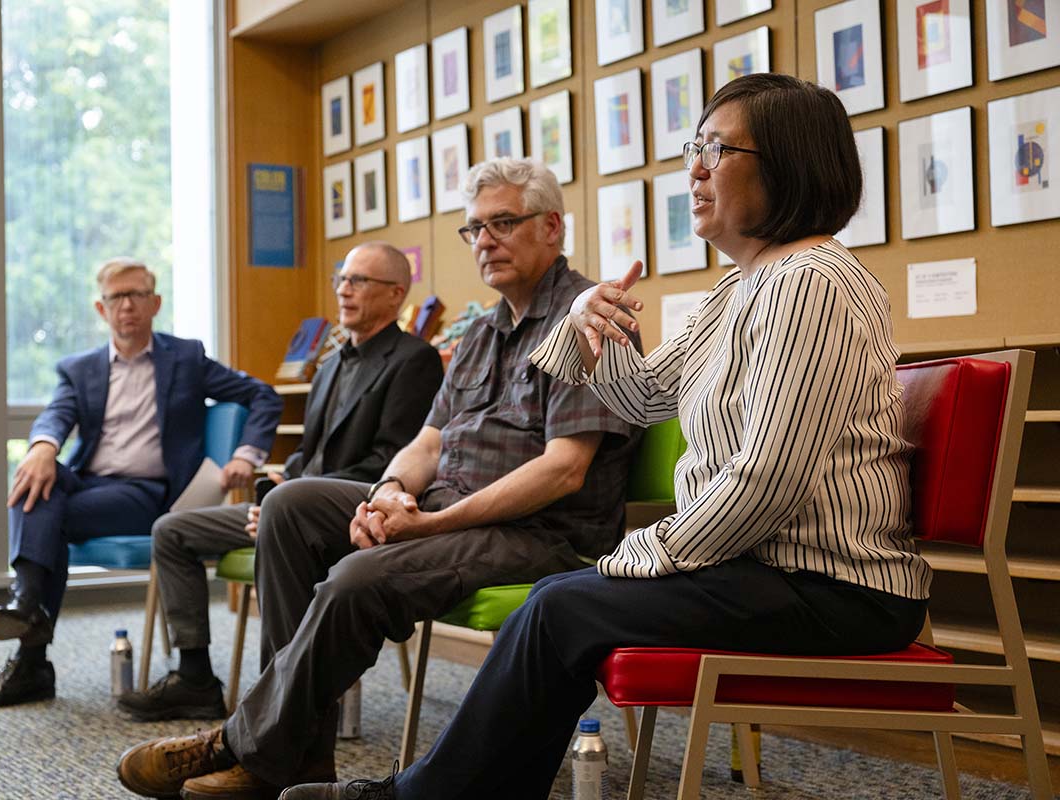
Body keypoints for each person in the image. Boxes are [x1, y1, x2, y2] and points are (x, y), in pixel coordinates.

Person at [280, 73, 933, 800]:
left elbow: (765, 481)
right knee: (558, 602)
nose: (693, 169)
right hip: (763, 569)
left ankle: (426, 798)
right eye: (695, 148)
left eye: (714, 149)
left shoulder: (811, 281)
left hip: (831, 585)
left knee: (560, 605)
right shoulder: (742, 286)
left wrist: (649, 553)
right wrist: (591, 323)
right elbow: (646, 397)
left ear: (786, 161)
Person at [114, 158, 641, 800]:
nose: (485, 241)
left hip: (540, 534)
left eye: (503, 222)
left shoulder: (592, 321)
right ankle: (297, 758)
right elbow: (427, 443)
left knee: (355, 577)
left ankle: (243, 748)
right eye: (474, 229)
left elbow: (565, 470)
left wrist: (431, 522)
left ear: (553, 227)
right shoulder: (479, 334)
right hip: (447, 511)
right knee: (289, 504)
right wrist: (388, 492)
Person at [116, 242, 444, 722]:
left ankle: (283, 697)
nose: (344, 290)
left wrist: (288, 503)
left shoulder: (414, 360)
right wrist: (275, 490)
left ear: (396, 295)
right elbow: (307, 455)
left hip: (355, 511)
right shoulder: (330, 363)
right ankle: (194, 678)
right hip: (291, 504)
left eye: (359, 282)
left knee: (283, 516)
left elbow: (388, 464)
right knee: (172, 531)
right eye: (342, 279)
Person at [0, 257, 283, 710]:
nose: (126, 305)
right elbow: (57, 414)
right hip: (91, 483)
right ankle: (29, 612)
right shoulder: (80, 368)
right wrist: (43, 446)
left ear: (155, 303)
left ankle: (30, 637)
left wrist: (247, 454)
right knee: (33, 478)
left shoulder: (185, 357)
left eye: (136, 295)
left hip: (150, 492)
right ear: (101, 308)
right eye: (116, 297)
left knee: (44, 509)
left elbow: (262, 394)